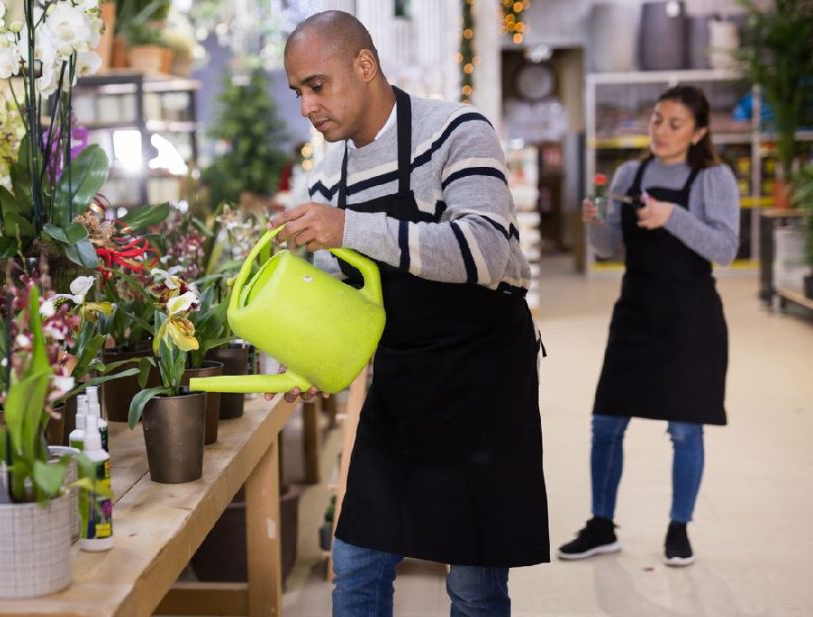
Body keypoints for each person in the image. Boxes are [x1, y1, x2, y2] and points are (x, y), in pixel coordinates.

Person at [267, 10, 549, 617]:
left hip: (481, 378)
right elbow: (340, 299)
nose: (307, 107)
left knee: (473, 584)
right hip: (401, 381)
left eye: (317, 85)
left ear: (364, 66)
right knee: (356, 563)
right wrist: (309, 354)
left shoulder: (458, 132)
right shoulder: (328, 181)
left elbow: (482, 250)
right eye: (297, 92)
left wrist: (351, 228)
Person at [558, 85, 740, 567]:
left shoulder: (713, 177)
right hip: (635, 313)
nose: (661, 131)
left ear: (699, 131)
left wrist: (672, 216)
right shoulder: (629, 172)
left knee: (685, 429)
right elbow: (607, 247)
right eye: (657, 119)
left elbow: (725, 248)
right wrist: (594, 223)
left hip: (691, 318)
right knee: (606, 423)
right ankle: (601, 526)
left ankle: (679, 529)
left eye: (675, 124)